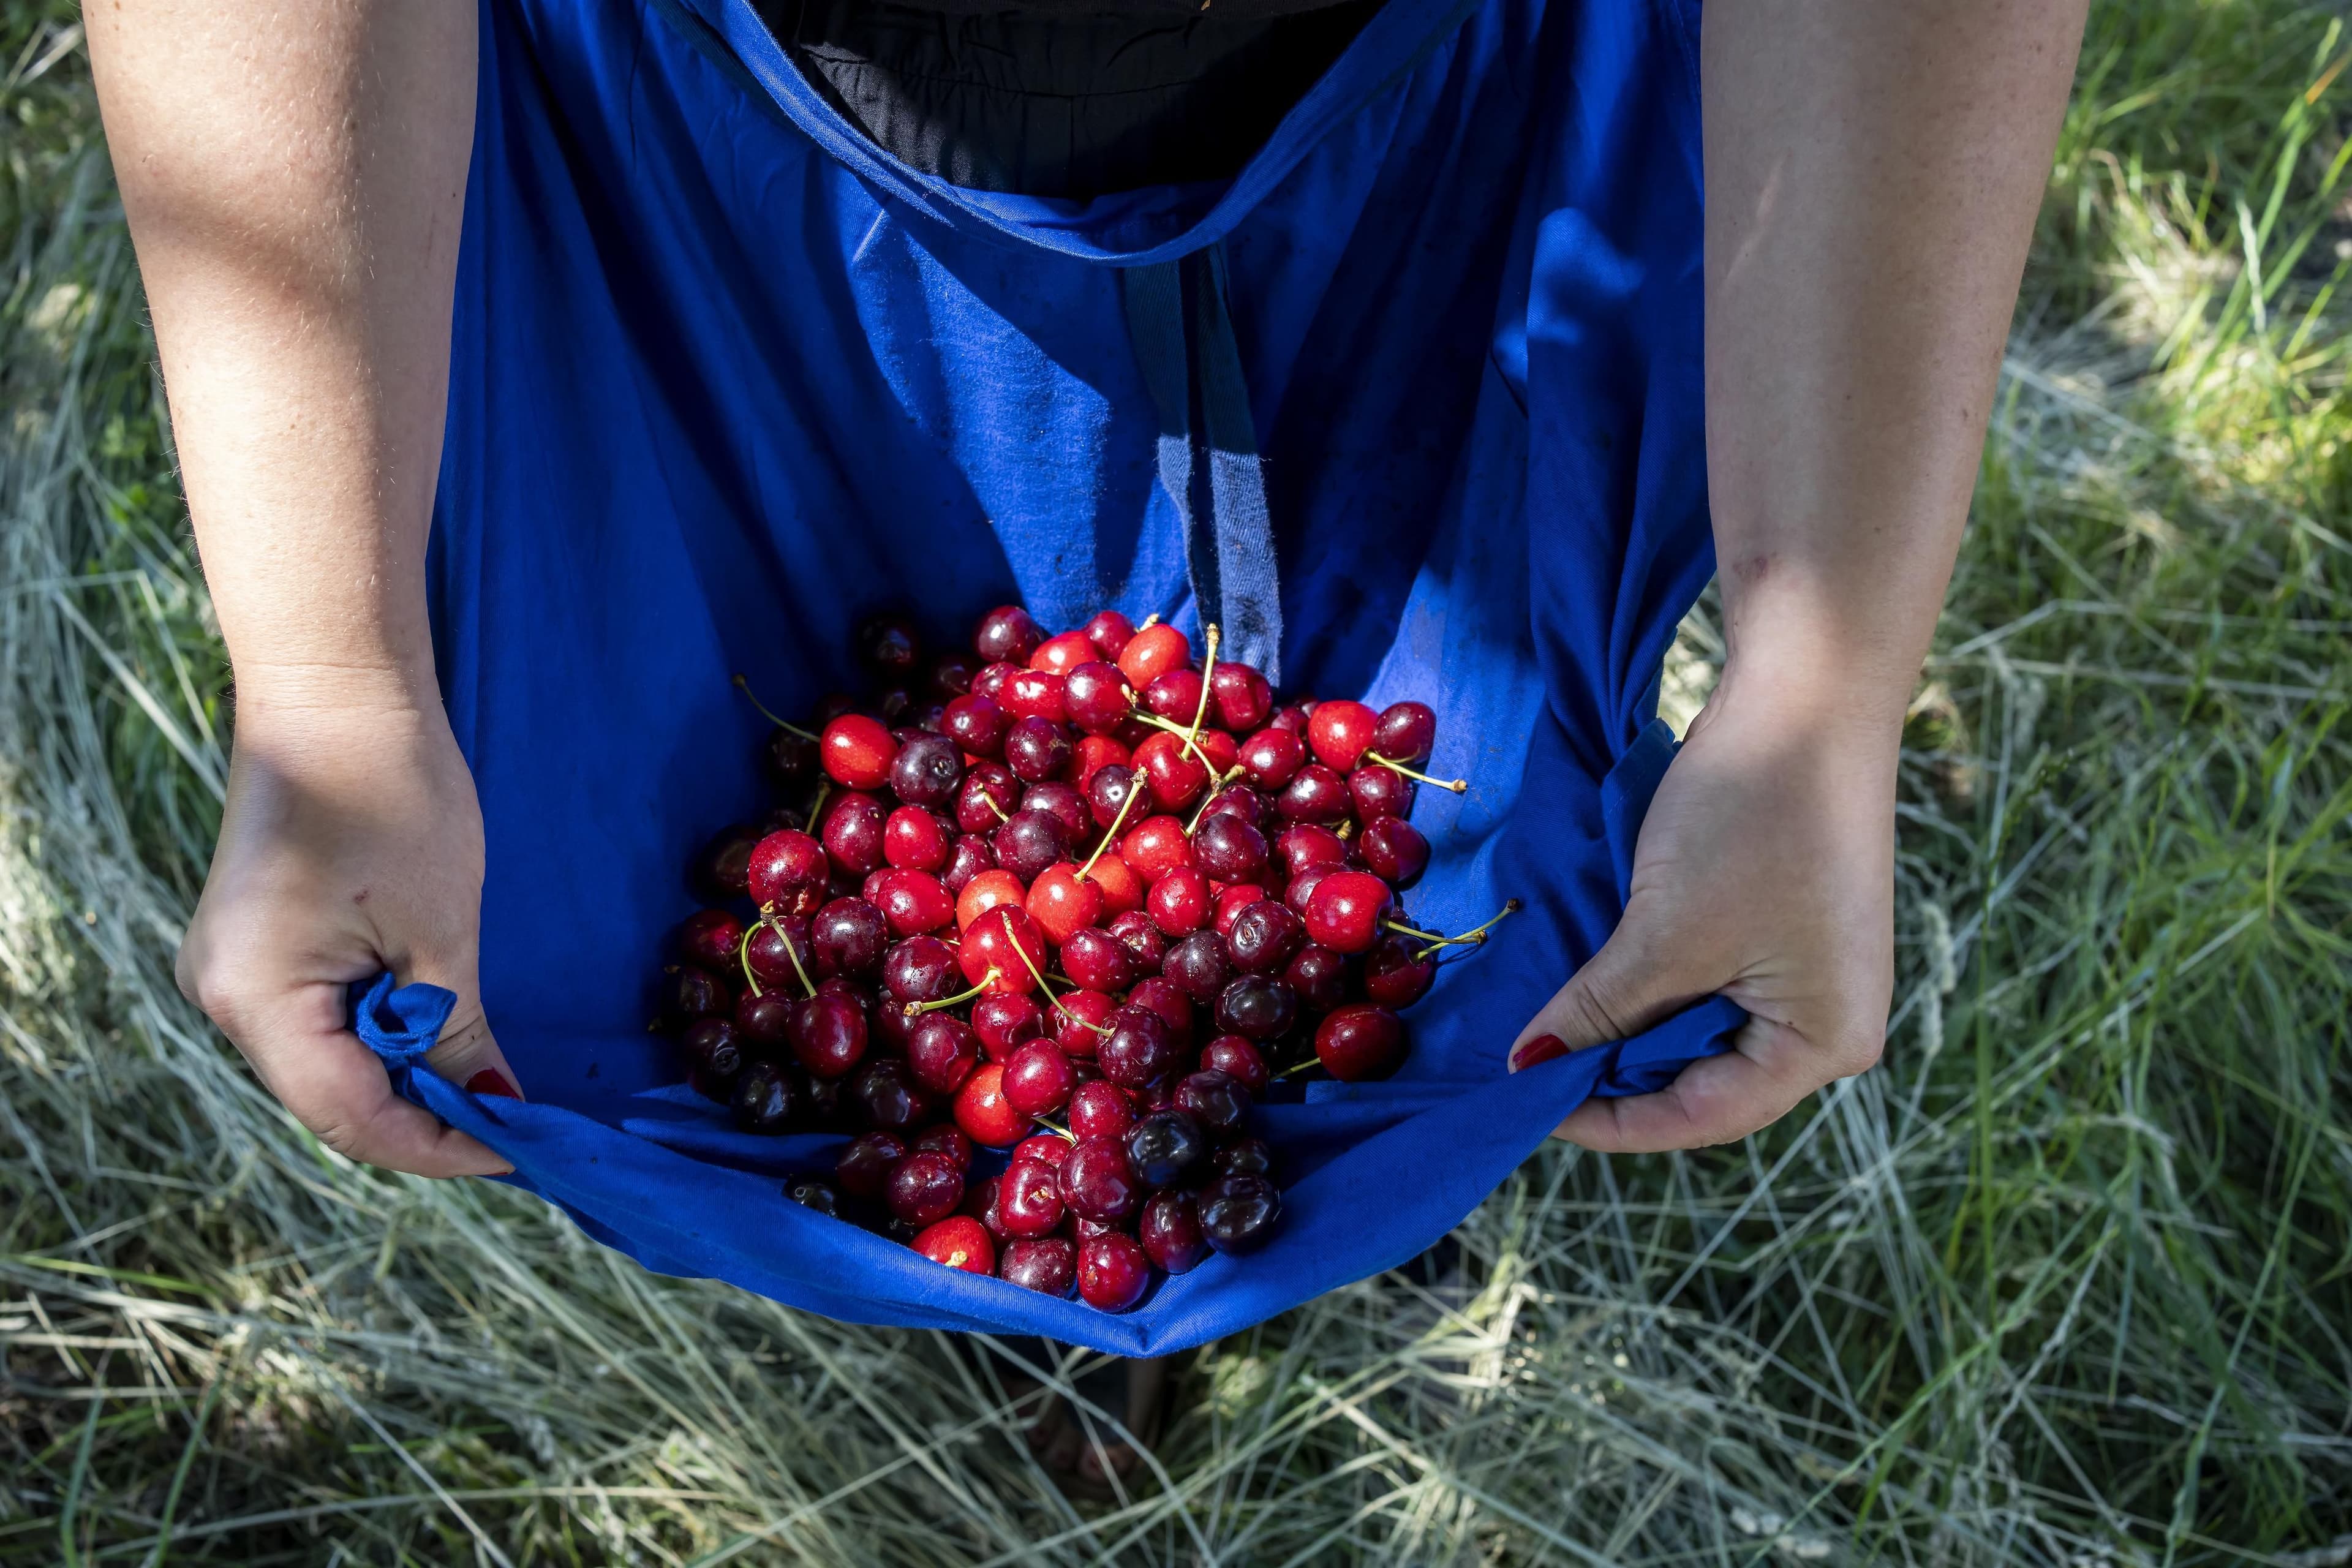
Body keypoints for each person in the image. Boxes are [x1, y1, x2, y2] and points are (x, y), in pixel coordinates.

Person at [89, 0, 2086, 1488]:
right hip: (695, 171)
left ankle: (1155, 1324)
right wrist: (334, 686)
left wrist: (1822, 693)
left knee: (1406, 928)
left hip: (1425, 141)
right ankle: (1044, 1355)